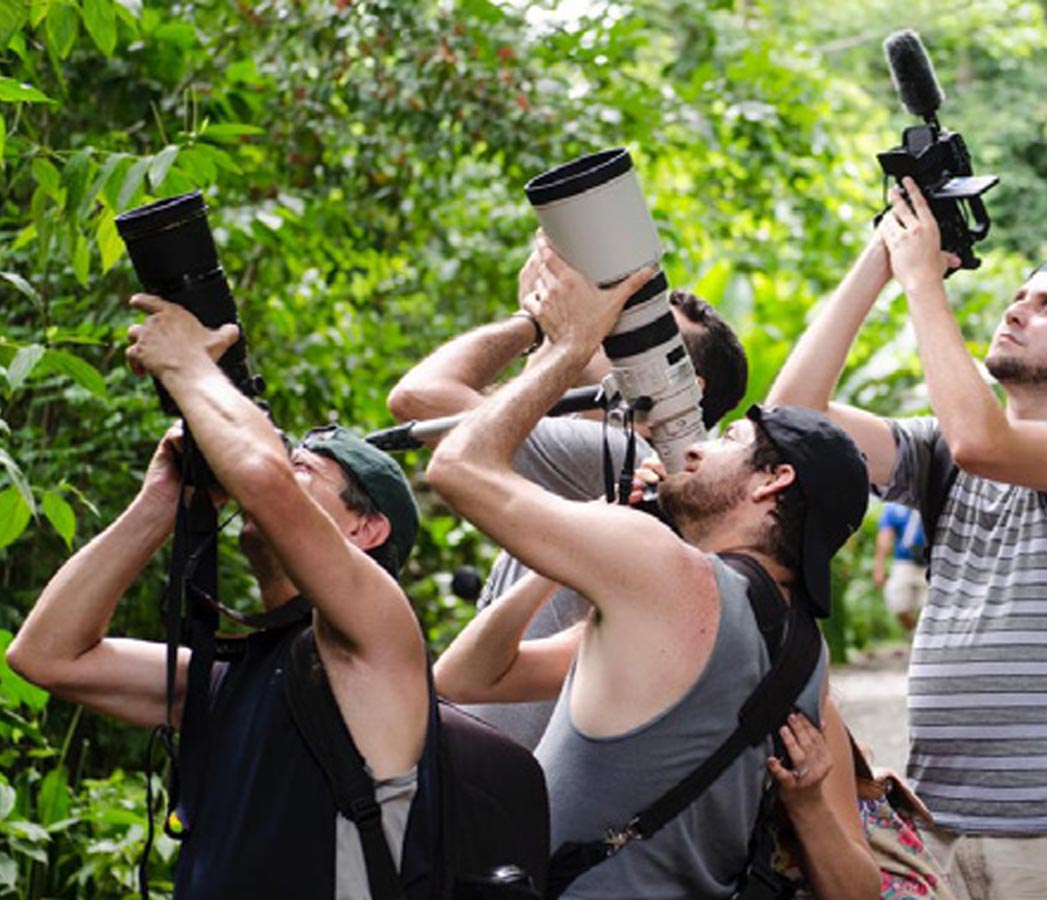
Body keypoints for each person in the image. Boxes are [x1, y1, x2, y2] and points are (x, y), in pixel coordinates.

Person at [425, 237, 879, 900]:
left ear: (771, 483)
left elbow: (455, 465)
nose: (693, 454)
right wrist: (565, 560)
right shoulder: (805, 660)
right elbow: (469, 677)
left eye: (728, 442)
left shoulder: (665, 571)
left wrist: (568, 344)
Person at [767, 177, 1047, 900]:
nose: (1018, 309)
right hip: (941, 825)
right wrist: (880, 256)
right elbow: (792, 418)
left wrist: (925, 282)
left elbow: (984, 440)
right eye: (1021, 295)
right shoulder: (939, 451)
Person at [6, 294, 427, 899]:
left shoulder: (380, 638)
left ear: (365, 530)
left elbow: (263, 481)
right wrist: (160, 503)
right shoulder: (228, 677)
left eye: (303, 470)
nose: (277, 476)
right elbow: (45, 656)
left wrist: (189, 364)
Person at [388, 251, 747, 749]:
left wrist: (537, 322)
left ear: (679, 384)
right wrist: (557, 337)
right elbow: (511, 410)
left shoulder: (622, 454)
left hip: (501, 762)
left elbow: (420, 397)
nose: (605, 328)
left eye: (626, 330)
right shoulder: (629, 463)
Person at [872, 501, 927, 635]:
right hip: (905, 561)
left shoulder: (931, 500)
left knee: (928, 607)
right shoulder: (894, 507)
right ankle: (913, 633)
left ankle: (926, 637)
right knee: (897, 602)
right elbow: (885, 538)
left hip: (931, 562)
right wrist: (879, 566)